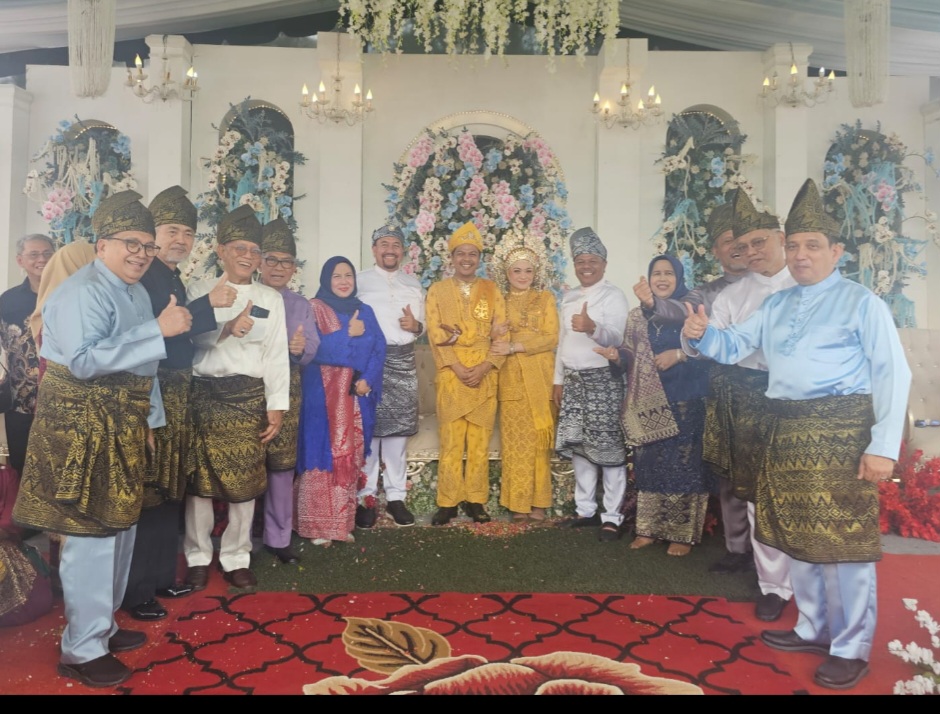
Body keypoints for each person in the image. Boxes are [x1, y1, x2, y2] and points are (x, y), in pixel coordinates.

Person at [683, 178, 911, 690]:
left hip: (842, 433)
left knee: (843, 543)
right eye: (794, 246)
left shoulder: (862, 302)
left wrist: (882, 447)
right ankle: (812, 626)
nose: (801, 255)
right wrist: (699, 334)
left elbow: (893, 374)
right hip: (784, 428)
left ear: (836, 251)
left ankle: (850, 647)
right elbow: (731, 346)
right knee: (793, 533)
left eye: (813, 246)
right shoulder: (778, 304)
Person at [12, 190, 193, 687]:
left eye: (147, 245)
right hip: (82, 427)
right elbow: (85, 361)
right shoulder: (82, 291)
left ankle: (102, 627)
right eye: (130, 243)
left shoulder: (132, 291)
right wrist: (158, 330)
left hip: (122, 421)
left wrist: (150, 420)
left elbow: (142, 367)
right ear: (102, 245)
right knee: (91, 535)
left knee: (120, 526)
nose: (141, 253)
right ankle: (81, 649)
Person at [120, 186, 236, 622]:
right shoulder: (143, 276)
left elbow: (181, 328)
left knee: (171, 488)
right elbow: (160, 328)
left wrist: (214, 316)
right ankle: (137, 591)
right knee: (150, 489)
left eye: (188, 232)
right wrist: (209, 303)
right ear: (152, 233)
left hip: (179, 391)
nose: (181, 240)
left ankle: (161, 576)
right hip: (155, 392)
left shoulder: (170, 276)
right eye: (172, 231)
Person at [681, 189, 796, 622]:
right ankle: (773, 585)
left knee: (800, 493)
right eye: (743, 246)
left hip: (804, 401)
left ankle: (809, 581)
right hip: (749, 398)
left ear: (780, 239)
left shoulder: (809, 286)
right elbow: (717, 343)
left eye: (758, 242)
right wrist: (695, 335)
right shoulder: (733, 296)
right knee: (755, 494)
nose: (751, 252)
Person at [636, 201, 752, 571]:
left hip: (709, 389)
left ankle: (688, 534)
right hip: (694, 391)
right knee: (657, 460)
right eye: (727, 241)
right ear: (716, 250)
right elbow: (670, 317)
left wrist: (679, 353)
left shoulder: (770, 286)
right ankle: (730, 546)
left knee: (692, 463)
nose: (735, 247)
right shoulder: (705, 292)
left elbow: (680, 316)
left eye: (741, 240)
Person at [183, 205, 289, 592]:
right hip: (205, 396)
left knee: (245, 484)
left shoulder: (269, 298)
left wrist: (276, 405)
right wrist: (225, 328)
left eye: (254, 250)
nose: (247, 256)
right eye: (239, 248)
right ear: (221, 251)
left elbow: (276, 354)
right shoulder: (199, 289)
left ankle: (236, 556)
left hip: (248, 399)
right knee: (200, 486)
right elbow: (186, 339)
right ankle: (198, 556)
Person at [601, 255, 711, 554]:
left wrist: (680, 354)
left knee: (684, 466)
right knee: (649, 464)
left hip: (685, 394)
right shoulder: (637, 316)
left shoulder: (690, 309)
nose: (662, 279)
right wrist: (617, 357)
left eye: (668, 273)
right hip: (647, 401)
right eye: (656, 274)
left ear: (679, 277)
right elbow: (629, 351)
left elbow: (710, 347)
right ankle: (648, 529)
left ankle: (681, 534)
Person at [295, 257, 385, 544]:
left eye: (348, 275)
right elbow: (313, 350)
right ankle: (316, 527)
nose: (344, 281)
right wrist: (348, 334)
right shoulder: (314, 308)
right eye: (337, 276)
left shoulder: (365, 311)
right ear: (326, 280)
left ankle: (341, 524)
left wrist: (368, 379)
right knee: (321, 454)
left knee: (349, 455)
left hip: (355, 397)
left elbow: (378, 348)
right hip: (320, 397)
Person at [426, 222, 507, 526]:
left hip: (484, 376)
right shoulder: (437, 291)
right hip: (452, 375)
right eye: (461, 253)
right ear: (452, 257)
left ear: (479, 258)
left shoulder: (492, 290)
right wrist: (457, 367)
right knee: (450, 442)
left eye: (472, 254)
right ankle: (447, 502)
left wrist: (485, 367)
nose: (467, 259)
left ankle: (476, 501)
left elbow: (502, 333)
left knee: (478, 443)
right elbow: (435, 333)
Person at [553, 227, 630, 542]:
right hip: (573, 381)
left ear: (604, 264)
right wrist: (558, 380)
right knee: (581, 449)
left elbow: (617, 337)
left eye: (592, 261)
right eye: (580, 261)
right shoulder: (569, 296)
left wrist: (592, 327)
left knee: (609, 450)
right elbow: (562, 341)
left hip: (603, 381)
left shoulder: (613, 295)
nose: (586, 266)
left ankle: (612, 516)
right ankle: (585, 511)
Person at [258, 218, 319, 563]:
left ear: (294, 268)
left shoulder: (300, 305)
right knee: (245, 464)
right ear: (259, 262)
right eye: (272, 260)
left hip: (287, 392)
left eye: (286, 262)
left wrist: (299, 349)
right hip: (246, 391)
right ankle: (239, 539)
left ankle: (278, 538)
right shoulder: (245, 295)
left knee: (280, 467)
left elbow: (312, 344)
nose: (279, 267)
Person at [356, 225, 425, 528]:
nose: (390, 250)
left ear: (403, 251)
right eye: (384, 244)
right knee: (369, 430)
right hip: (370, 361)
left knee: (398, 432)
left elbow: (423, 326)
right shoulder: (359, 281)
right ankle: (366, 497)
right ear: (374, 249)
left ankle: (397, 497)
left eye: (395, 245)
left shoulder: (413, 283)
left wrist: (416, 326)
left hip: (404, 360)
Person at [488, 237, 559, 522]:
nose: (522, 276)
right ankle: (518, 504)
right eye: (516, 270)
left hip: (541, 379)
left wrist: (516, 345)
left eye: (528, 270)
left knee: (540, 444)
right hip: (511, 380)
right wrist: (498, 337)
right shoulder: (499, 302)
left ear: (536, 272)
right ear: (506, 273)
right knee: (516, 444)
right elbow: (493, 339)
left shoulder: (546, 299)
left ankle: (539, 503)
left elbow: (551, 337)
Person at [1, 234, 54, 478]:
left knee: (56, 466)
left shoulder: (67, 295)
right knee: (22, 465)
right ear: (20, 260)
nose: (41, 259)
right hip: (20, 400)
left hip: (61, 398)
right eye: (34, 254)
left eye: (47, 253)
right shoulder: (8, 300)